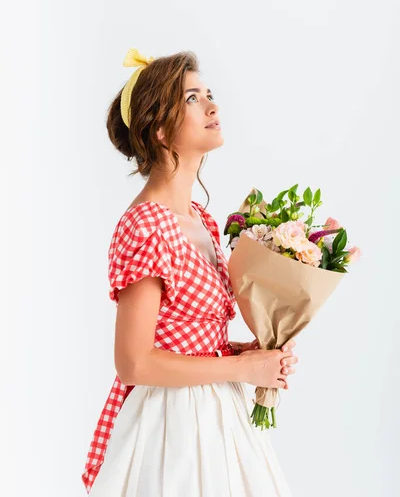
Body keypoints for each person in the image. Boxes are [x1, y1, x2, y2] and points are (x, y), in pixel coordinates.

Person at [81, 48, 298, 496]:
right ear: (160, 129)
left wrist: (249, 356)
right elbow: (134, 362)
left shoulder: (200, 218)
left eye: (209, 94)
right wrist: (240, 369)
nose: (213, 106)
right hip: (169, 428)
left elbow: (191, 336)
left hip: (219, 415)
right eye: (193, 99)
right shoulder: (146, 226)